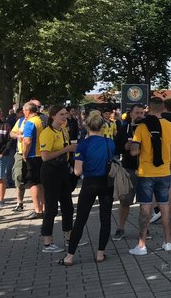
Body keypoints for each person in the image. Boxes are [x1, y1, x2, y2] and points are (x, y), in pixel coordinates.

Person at [59, 111, 115, 266]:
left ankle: (70, 256)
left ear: (87, 126)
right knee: (105, 219)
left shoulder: (82, 145)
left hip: (89, 183)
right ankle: (100, 253)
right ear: (102, 126)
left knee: (81, 220)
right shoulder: (109, 142)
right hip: (106, 183)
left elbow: (77, 171)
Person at [129, 96, 171, 255]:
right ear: (163, 108)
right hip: (164, 172)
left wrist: (133, 145)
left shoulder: (142, 127)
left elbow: (134, 151)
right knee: (164, 207)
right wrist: (169, 170)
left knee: (145, 207)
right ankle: (168, 242)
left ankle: (142, 245)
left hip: (146, 172)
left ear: (149, 108)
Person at [39, 104, 77, 253]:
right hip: (50, 171)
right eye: (61, 114)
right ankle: (47, 242)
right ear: (53, 116)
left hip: (62, 169)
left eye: (65, 114)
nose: (64, 117)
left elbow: (67, 148)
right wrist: (66, 149)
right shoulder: (47, 132)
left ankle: (69, 237)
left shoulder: (64, 130)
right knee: (51, 207)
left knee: (68, 205)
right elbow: (45, 156)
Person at [112, 103, 144, 241]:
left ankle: (144, 229)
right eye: (137, 113)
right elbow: (115, 148)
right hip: (129, 169)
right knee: (125, 201)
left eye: (142, 113)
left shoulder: (148, 128)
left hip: (145, 170)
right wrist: (124, 147)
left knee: (145, 202)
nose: (140, 115)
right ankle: (121, 228)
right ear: (130, 114)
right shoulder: (124, 129)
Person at [22, 101, 46, 219]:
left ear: (27, 111)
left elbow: (27, 141)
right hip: (43, 154)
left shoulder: (30, 123)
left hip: (33, 156)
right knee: (42, 183)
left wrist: (24, 154)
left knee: (33, 184)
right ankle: (45, 208)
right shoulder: (41, 120)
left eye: (24, 111)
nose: (23, 113)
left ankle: (37, 210)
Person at [0, 107, 14, 207]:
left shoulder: (5, 126)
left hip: (1, 155)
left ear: (1, 115)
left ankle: (1, 200)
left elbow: (9, 141)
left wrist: (3, 153)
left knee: (0, 177)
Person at [10, 107, 27, 212]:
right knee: (18, 177)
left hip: (36, 155)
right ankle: (19, 202)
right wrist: (17, 135)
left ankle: (40, 205)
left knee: (37, 181)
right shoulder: (20, 121)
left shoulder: (42, 119)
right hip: (20, 153)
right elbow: (11, 133)